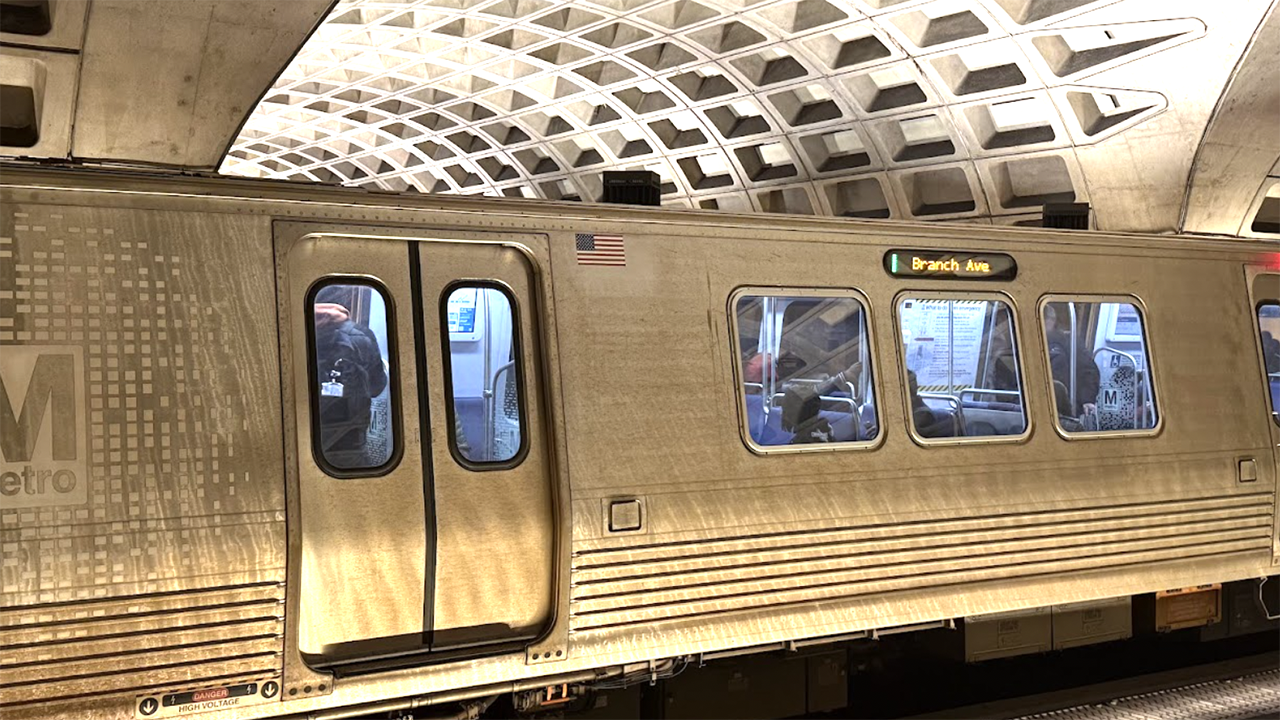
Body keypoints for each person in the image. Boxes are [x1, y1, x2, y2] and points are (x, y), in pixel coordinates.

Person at [314, 286, 388, 468]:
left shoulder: (299, 332)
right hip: (350, 442)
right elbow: (376, 388)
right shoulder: (361, 336)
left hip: (307, 435)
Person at [1043, 303, 1100, 417]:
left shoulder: (1070, 341)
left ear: (1052, 321)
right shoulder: (1029, 343)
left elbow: (1088, 369)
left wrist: (1087, 399)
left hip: (1065, 405)